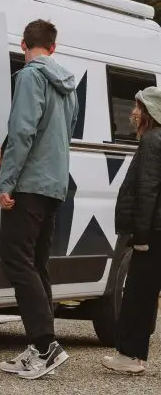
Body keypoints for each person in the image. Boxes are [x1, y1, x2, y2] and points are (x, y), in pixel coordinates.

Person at [0, 19, 79, 380]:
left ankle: (45, 346)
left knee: (17, 260)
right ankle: (40, 348)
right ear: (54, 47)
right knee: (37, 263)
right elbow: (61, 134)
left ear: (23, 45)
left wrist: (7, 181)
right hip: (55, 184)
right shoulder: (68, 85)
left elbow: (23, 130)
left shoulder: (29, 77)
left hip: (28, 185)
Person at [102, 87, 161, 375]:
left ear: (150, 113)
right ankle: (133, 354)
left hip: (152, 232)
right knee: (146, 295)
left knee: (138, 294)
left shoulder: (151, 140)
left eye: (139, 108)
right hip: (156, 230)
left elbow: (147, 190)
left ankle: (130, 356)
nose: (133, 113)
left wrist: (142, 237)